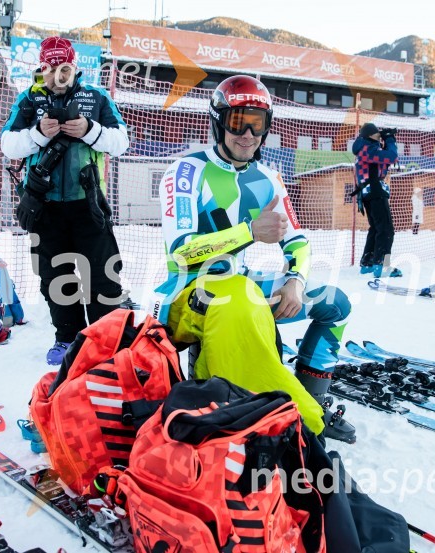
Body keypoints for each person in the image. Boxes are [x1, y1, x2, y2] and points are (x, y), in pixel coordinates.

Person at [150, 75, 356, 444]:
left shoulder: (268, 178)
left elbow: (298, 240)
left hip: (242, 285)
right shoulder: (185, 171)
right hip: (185, 294)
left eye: (256, 124)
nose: (247, 134)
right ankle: (249, 399)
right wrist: (248, 232)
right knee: (240, 299)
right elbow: (181, 250)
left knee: (335, 303)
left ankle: (315, 400)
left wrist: (295, 279)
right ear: (218, 122)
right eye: (237, 121)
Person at [1, 36, 130, 365]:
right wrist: (37, 135)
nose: (59, 75)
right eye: (51, 68)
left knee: (102, 274)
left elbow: (121, 142)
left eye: (65, 68)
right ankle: (67, 338)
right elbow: (8, 144)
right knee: (56, 275)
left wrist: (89, 129)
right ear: (42, 68)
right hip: (45, 206)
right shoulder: (28, 99)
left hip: (88, 203)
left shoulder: (97, 97)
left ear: (75, 67)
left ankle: (104, 340)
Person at [351, 122, 401, 277]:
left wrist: (387, 140)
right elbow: (391, 157)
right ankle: (381, 264)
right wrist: (391, 140)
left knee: (376, 228)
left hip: (369, 192)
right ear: (371, 136)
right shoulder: (368, 149)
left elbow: (384, 158)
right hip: (375, 191)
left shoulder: (366, 148)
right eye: (378, 135)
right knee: (386, 229)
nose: (380, 137)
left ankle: (368, 263)